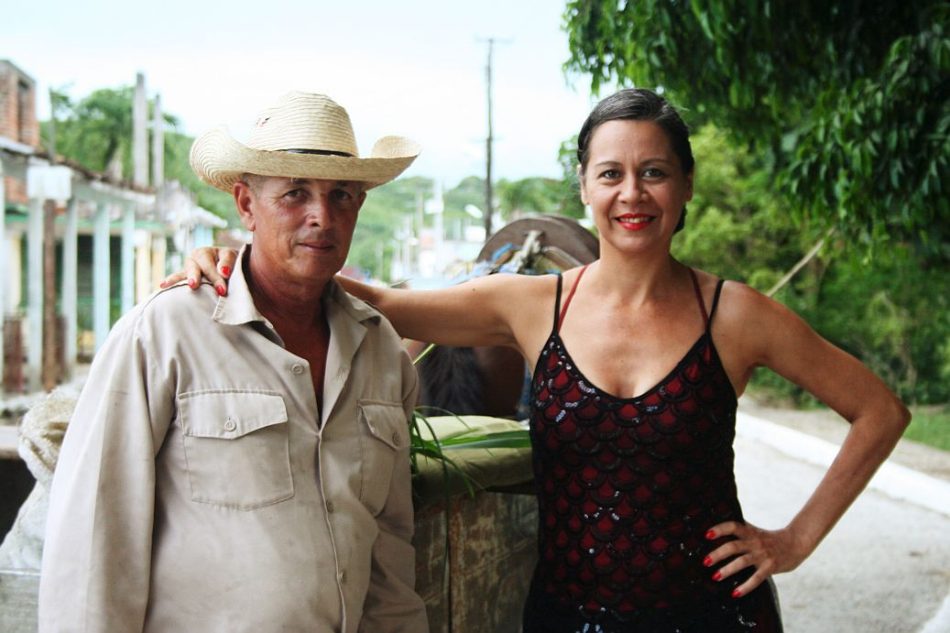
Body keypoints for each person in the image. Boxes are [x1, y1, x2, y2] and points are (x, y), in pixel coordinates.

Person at [175, 88, 910, 633]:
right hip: (566, 618)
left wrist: (793, 539)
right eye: (611, 173)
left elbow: (879, 410)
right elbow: (376, 299)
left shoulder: (737, 315)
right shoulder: (531, 305)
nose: (632, 193)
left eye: (654, 172)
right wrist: (236, 263)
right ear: (585, 186)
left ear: (684, 188)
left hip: (715, 616)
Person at [39, 91, 429, 633]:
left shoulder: (382, 351)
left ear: (359, 205)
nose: (322, 215)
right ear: (246, 205)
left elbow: (388, 545)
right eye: (295, 193)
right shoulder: (166, 332)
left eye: (341, 195)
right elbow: (95, 537)